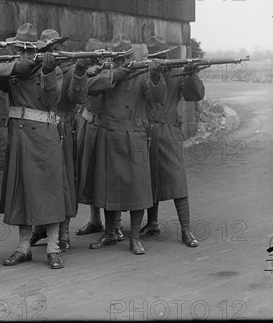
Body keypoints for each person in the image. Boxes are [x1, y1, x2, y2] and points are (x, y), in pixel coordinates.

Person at [86, 34, 166, 255]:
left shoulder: (142, 74)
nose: (121, 62)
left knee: (137, 188)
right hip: (110, 134)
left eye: (124, 58)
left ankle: (135, 237)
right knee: (109, 186)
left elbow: (156, 97)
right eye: (117, 59)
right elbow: (89, 87)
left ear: (130, 55)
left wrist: (157, 76)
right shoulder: (107, 73)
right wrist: (115, 75)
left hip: (135, 134)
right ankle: (110, 233)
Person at [0, 23, 67, 269]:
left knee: (50, 191)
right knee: (21, 192)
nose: (24, 54)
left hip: (44, 136)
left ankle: (53, 247)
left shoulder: (52, 69)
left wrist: (46, 72)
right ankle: (23, 247)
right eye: (20, 50)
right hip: (19, 136)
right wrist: (16, 66)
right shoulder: (13, 68)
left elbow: (52, 100)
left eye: (28, 50)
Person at [140, 36, 205, 247]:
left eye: (164, 56)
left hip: (169, 133)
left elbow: (195, 95)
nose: (163, 60)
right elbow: (152, 95)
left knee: (177, 181)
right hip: (146, 131)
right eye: (158, 58)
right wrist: (154, 74)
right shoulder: (144, 73)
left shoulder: (178, 73)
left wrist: (191, 74)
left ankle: (186, 230)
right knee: (149, 180)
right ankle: (152, 223)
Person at [29, 29, 90, 252]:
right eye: (52, 50)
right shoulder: (36, 69)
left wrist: (81, 72)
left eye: (59, 48)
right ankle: (39, 227)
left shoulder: (72, 69)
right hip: (41, 129)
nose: (59, 52)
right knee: (42, 178)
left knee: (66, 179)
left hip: (64, 127)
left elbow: (78, 97)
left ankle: (63, 232)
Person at [75, 38, 125, 242]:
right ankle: (95, 219)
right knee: (90, 175)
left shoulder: (112, 71)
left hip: (106, 127)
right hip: (88, 124)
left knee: (110, 176)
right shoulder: (86, 73)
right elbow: (84, 86)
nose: (102, 60)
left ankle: (117, 224)